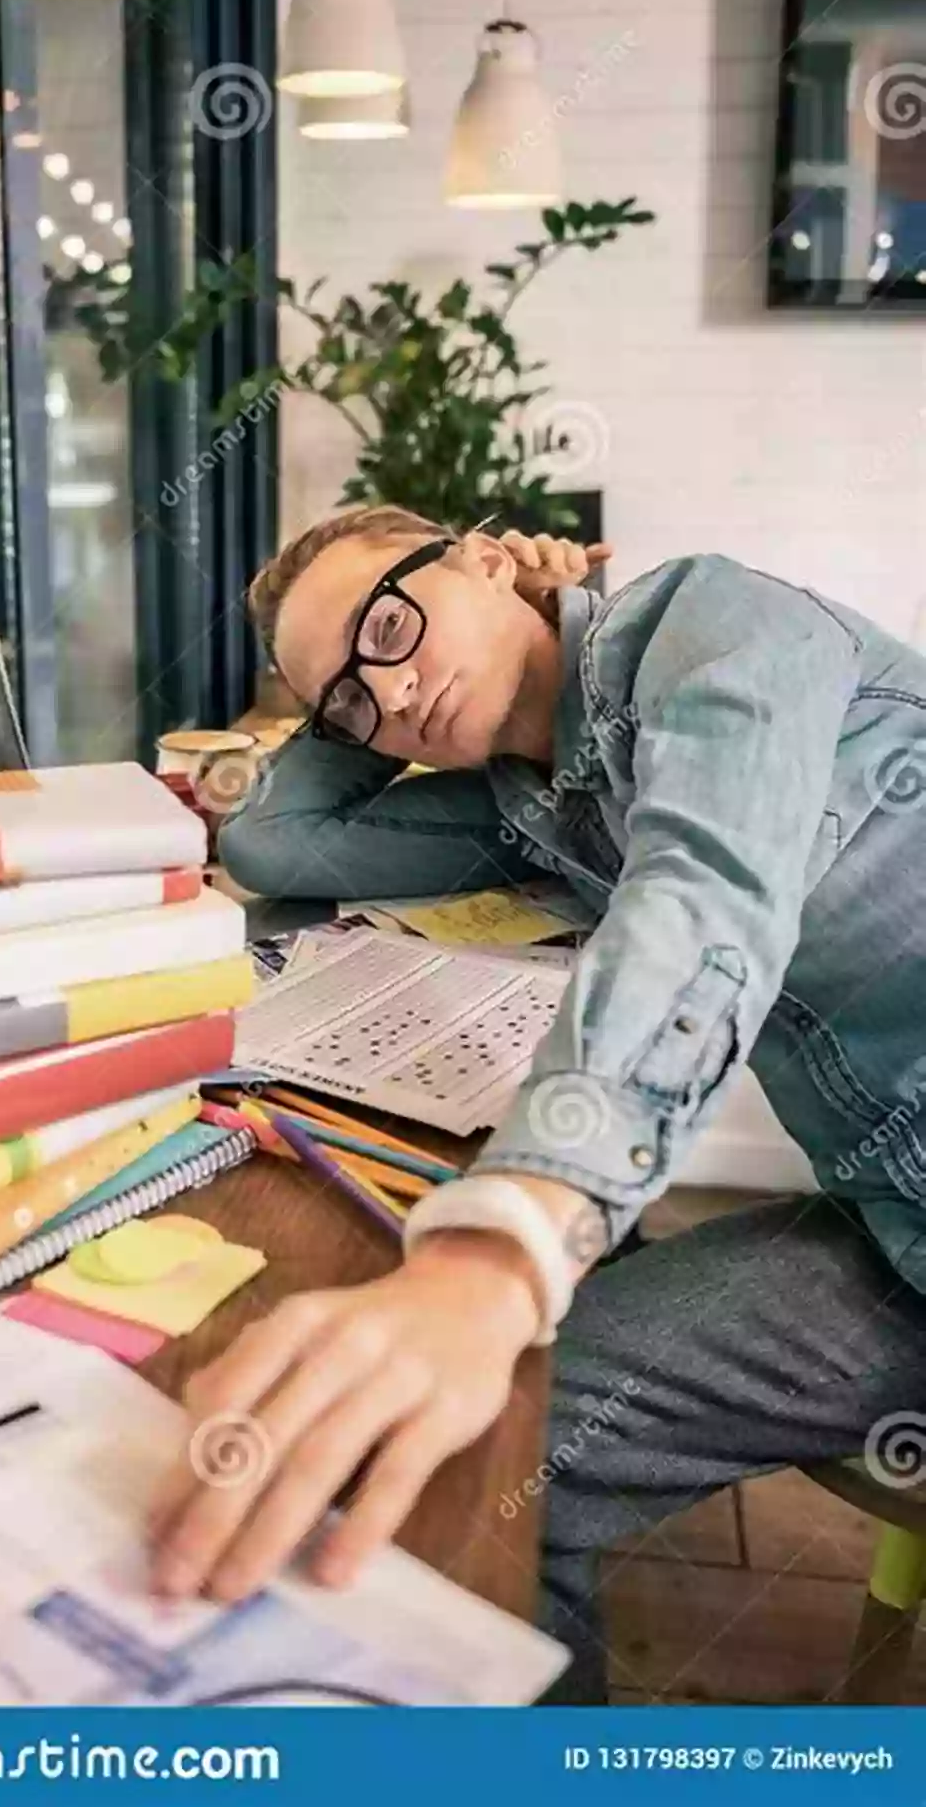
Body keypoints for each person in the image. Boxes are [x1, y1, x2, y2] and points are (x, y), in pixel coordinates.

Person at [149, 505, 926, 1702]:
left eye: (394, 624)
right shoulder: (530, 806)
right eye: (350, 703)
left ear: (489, 552)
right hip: (891, 1223)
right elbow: (273, 835)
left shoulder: (716, 622)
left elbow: (706, 892)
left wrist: (499, 1253)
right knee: (481, 1448)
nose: (393, 695)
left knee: (479, 1395)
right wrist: (357, 680)